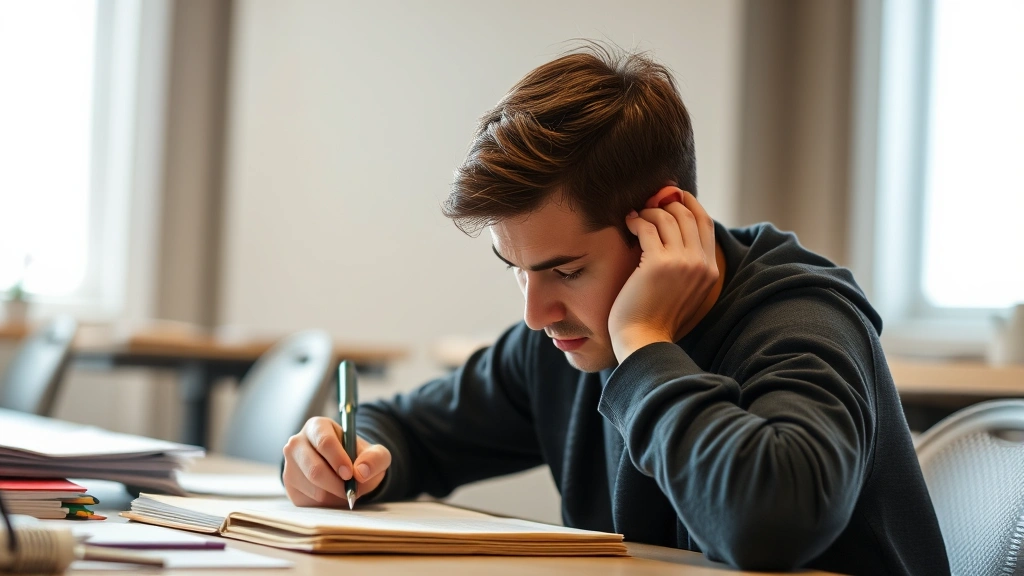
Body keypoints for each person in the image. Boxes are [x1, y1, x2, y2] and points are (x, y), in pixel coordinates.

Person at [281, 44, 949, 575]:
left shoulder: (802, 321)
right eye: (516, 272)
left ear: (660, 226)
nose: (537, 313)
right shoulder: (563, 338)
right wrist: (346, 455)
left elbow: (768, 523)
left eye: (565, 271)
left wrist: (643, 340)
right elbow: (412, 430)